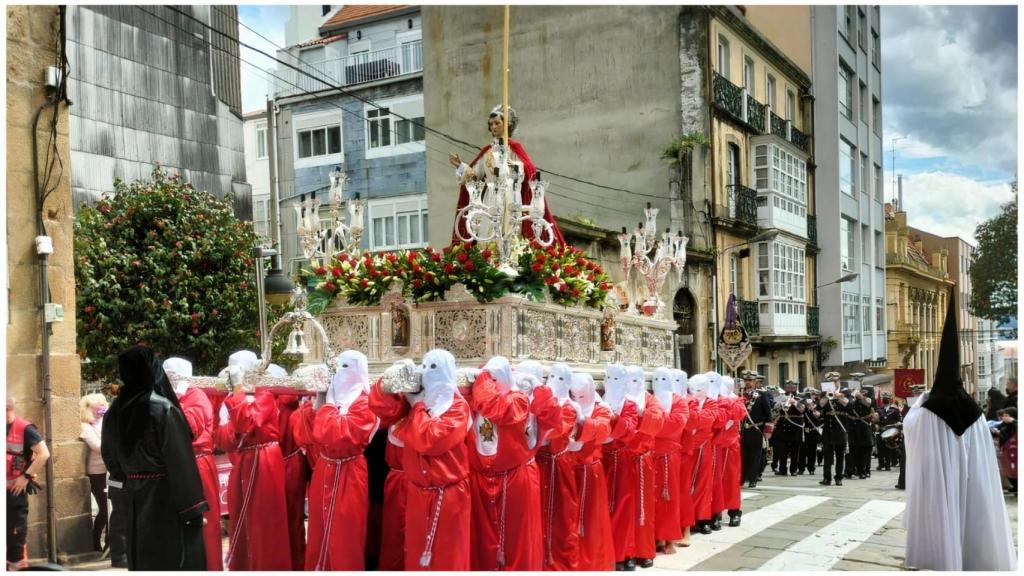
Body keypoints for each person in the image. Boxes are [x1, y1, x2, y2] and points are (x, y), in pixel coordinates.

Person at [903, 290, 1017, 571]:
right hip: (972, 482)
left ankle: (940, 558)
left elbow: (910, 427)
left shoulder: (928, 409)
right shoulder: (975, 412)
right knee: (974, 511)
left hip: (939, 482)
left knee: (942, 513)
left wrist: (919, 401)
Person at [99, 346, 207, 570]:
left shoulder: (114, 412)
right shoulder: (163, 409)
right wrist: (194, 509)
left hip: (132, 494)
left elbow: (110, 456)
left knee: (141, 555)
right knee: (170, 558)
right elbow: (180, 461)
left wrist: (128, 478)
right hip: (164, 497)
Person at [379, 349, 473, 570]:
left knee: (448, 556)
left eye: (435, 369)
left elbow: (430, 440)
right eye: (426, 367)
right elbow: (381, 410)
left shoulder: (458, 408)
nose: (428, 375)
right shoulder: (412, 405)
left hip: (448, 495)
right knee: (415, 553)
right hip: (417, 493)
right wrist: (392, 380)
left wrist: (417, 406)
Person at [295, 351, 378, 570]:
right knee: (318, 532)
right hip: (324, 467)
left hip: (350, 472)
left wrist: (328, 404)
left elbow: (336, 435)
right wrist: (318, 403)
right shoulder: (330, 398)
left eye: (346, 367)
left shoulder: (365, 403)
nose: (340, 374)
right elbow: (309, 436)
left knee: (345, 537)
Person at [448, 105, 566, 246]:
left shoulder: (514, 148)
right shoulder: (487, 152)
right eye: (491, 124)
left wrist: (516, 167)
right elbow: (474, 177)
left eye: (497, 123)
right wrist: (460, 166)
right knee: (486, 234)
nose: (493, 127)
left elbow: (530, 170)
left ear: (507, 125)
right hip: (490, 198)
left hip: (511, 196)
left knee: (510, 234)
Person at [466, 356, 544, 570]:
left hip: (513, 477)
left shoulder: (517, 399)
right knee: (482, 538)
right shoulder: (475, 398)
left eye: (493, 378)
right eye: (487, 378)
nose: (489, 382)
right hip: (481, 477)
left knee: (516, 538)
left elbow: (499, 410)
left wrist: (482, 381)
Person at [222, 365, 292, 570]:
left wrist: (237, 390)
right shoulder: (242, 395)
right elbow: (226, 437)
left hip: (264, 460)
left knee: (265, 521)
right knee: (243, 521)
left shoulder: (265, 394)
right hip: (246, 459)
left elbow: (247, 421)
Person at [163, 357, 223, 571]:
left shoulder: (196, 396)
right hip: (177, 466)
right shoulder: (168, 396)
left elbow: (188, 429)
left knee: (204, 524)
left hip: (197, 465)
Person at [567, 373, 617, 570]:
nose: (578, 399)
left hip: (590, 470)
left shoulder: (601, 409)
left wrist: (582, 420)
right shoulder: (567, 404)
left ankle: (594, 563)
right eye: (575, 395)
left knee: (591, 520)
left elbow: (603, 430)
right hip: (568, 469)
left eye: (582, 395)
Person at [601, 363, 641, 570]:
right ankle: (606, 552)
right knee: (601, 508)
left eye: (617, 379)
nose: (612, 383)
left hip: (621, 458)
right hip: (601, 459)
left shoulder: (630, 404)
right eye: (610, 378)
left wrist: (613, 417)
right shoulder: (599, 398)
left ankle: (626, 552)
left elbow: (629, 428)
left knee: (623, 506)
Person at [7, 394, 50, 570]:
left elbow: (44, 454)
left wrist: (25, 476)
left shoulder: (24, 428)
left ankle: (17, 567)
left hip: (13, 492)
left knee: (15, 538)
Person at [652, 368, 687, 555]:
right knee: (652, 498)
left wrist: (657, 420)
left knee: (669, 497)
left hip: (669, 455)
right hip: (651, 453)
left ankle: (670, 538)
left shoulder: (679, 401)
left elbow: (675, 425)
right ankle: (655, 536)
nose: (660, 381)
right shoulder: (650, 399)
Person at [79, 393, 109, 556]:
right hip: (97, 472)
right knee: (104, 509)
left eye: (103, 405)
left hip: (110, 470)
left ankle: (110, 544)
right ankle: (95, 542)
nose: (101, 408)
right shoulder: (85, 426)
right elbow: (98, 447)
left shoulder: (106, 421)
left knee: (113, 508)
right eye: (98, 406)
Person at [716, 376, 746, 527]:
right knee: (716, 480)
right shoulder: (715, 398)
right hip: (716, 445)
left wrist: (725, 402)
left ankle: (734, 511)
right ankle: (716, 511)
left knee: (732, 479)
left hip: (731, 445)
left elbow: (738, 414)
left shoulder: (737, 400)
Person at [739, 372, 771, 488]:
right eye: (746, 380)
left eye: (750, 380)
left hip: (756, 429)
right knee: (743, 455)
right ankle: (742, 478)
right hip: (742, 430)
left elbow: (768, 414)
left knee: (755, 455)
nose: (748, 382)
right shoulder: (739, 395)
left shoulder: (762, 395)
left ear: (755, 382)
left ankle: (753, 479)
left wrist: (767, 431)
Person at [818, 373, 850, 487]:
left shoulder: (846, 392)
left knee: (840, 457)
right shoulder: (823, 393)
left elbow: (847, 404)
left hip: (840, 429)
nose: (834, 383)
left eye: (835, 381)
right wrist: (827, 395)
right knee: (827, 457)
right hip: (828, 430)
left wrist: (839, 396)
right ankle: (827, 478)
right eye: (831, 381)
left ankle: (839, 478)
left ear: (839, 381)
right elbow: (821, 405)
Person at [995, 407, 1017, 494]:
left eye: (1007, 416)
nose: (1004, 417)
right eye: (1004, 416)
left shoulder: (1015, 424)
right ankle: (1015, 486)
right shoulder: (1003, 426)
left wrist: (1014, 422)